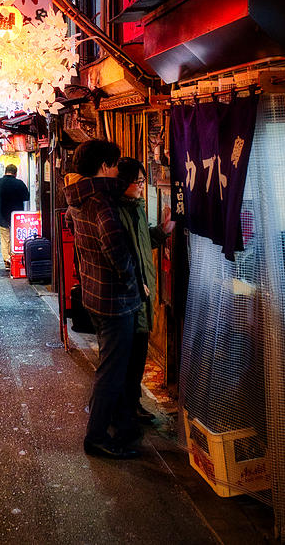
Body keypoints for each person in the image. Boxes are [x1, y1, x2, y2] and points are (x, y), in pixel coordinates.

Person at [64, 138, 144, 460]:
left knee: (113, 366)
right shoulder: (100, 202)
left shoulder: (79, 199)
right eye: (113, 165)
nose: (115, 172)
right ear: (103, 167)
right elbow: (115, 249)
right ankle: (95, 436)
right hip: (114, 299)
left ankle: (122, 426)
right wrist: (131, 280)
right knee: (112, 371)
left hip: (96, 295)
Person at [116, 157, 175, 432]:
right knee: (131, 354)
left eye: (143, 181)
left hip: (143, 290)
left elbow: (142, 242)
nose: (142, 186)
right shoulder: (117, 212)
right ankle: (126, 409)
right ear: (123, 182)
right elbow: (122, 256)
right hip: (131, 294)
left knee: (138, 352)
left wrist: (162, 232)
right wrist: (138, 284)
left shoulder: (137, 208)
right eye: (138, 181)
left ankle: (133, 403)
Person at [0, 164, 29, 269]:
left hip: (1, 216)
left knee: (5, 240)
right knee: (15, 239)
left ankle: (7, 260)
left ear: (5, 171)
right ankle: (15, 260)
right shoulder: (19, 183)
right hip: (16, 218)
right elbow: (26, 197)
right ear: (15, 173)